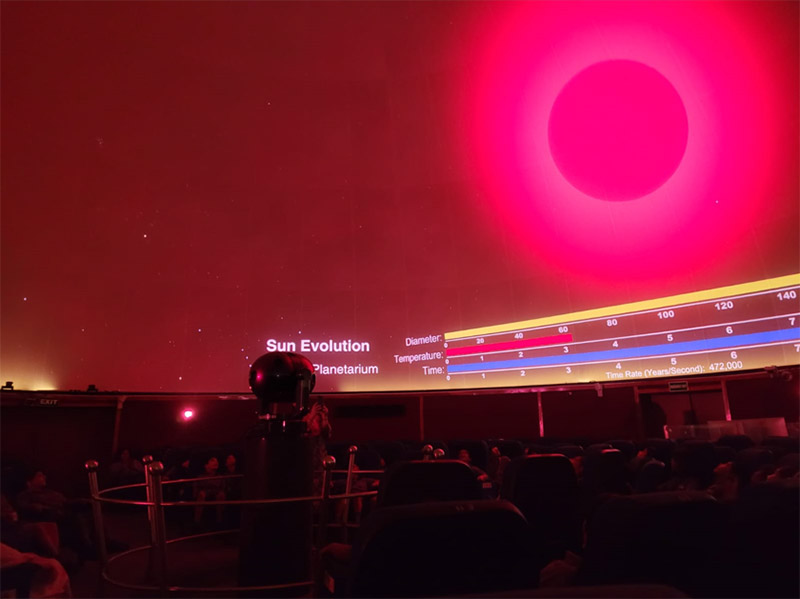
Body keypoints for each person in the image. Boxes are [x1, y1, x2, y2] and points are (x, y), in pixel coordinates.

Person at [193, 456, 225, 527]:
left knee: (221, 495)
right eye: (212, 460)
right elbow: (196, 489)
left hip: (216, 494)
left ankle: (220, 522)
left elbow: (222, 488)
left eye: (216, 461)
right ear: (206, 465)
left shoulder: (220, 477)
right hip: (204, 495)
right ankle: (197, 522)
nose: (216, 462)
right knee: (201, 494)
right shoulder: (200, 477)